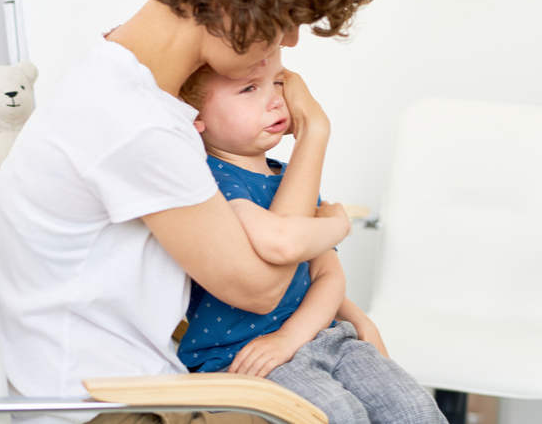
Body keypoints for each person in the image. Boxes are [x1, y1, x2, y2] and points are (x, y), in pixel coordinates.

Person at [0, 0, 381, 424]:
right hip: (111, 411)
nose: (290, 38)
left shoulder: (120, 78)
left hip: (141, 387)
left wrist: (346, 311)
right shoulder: (132, 121)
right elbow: (261, 290)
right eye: (286, 16)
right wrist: (314, 133)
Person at [176, 49, 447, 424]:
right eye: (249, 89)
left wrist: (294, 336)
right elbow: (280, 238)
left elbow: (328, 275)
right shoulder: (206, 180)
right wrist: (338, 225)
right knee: (337, 414)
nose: (274, 100)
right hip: (244, 354)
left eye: (278, 84)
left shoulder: (293, 178)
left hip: (325, 337)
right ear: (194, 118)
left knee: (414, 408)